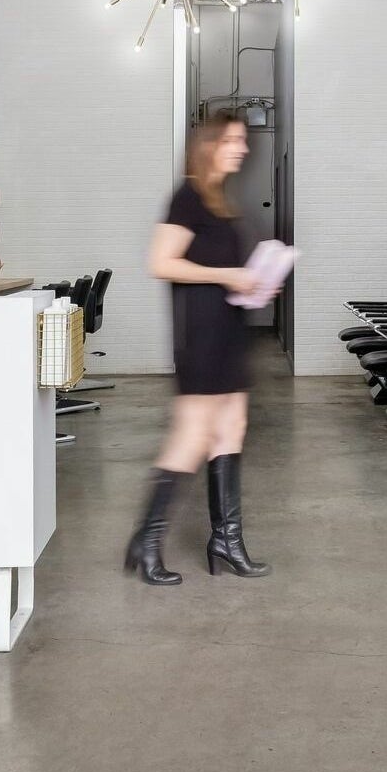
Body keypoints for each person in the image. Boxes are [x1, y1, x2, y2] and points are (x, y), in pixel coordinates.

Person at [123, 110, 275, 585]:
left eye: (243, 140)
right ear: (209, 144)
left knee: (233, 427)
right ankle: (145, 543)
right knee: (191, 438)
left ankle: (226, 541)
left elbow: (217, 267)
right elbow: (160, 262)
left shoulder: (218, 201)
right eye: (232, 139)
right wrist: (226, 275)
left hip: (228, 332)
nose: (242, 148)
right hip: (202, 338)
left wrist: (253, 284)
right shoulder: (188, 198)